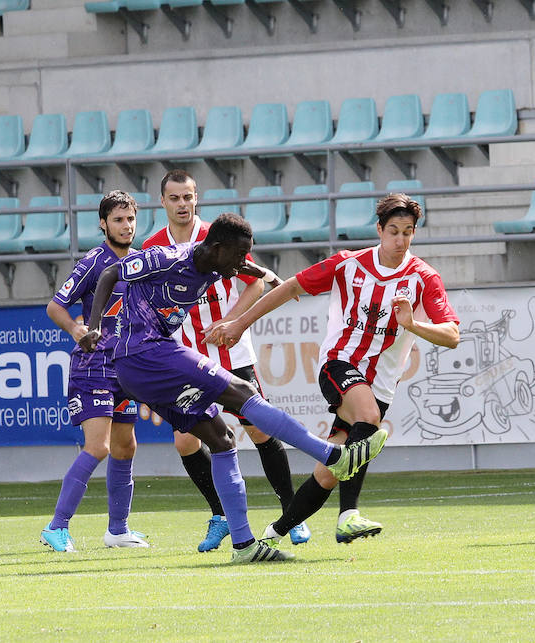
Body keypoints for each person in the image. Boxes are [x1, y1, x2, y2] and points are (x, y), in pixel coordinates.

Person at [79, 212, 387, 563]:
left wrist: (267, 276)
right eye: (239, 255)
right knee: (242, 392)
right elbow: (109, 273)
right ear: (217, 247)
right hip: (144, 352)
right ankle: (334, 455)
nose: (243, 263)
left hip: (141, 366)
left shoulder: (216, 264)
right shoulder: (169, 256)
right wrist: (94, 326)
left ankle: (243, 545)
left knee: (221, 439)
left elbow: (247, 270)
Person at [204, 193, 460, 545]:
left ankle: (271, 535)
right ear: (379, 230)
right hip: (339, 364)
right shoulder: (348, 264)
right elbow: (291, 286)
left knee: (329, 472)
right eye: (394, 231)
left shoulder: (423, 278)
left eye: (408, 232)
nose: (400, 240)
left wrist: (414, 325)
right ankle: (348, 515)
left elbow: (452, 335)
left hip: (381, 384)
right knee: (368, 417)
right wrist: (239, 324)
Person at [143, 169, 309, 552]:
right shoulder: (152, 247)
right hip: (187, 360)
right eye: (175, 198)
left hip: (232, 352)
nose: (182, 204)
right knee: (186, 441)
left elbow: (254, 280)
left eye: (188, 197)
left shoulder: (217, 237)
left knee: (260, 430)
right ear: (163, 202)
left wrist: (232, 319)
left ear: (196, 198)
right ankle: (220, 516)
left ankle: (291, 514)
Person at [41, 190, 148, 552]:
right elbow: (55, 307)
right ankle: (56, 527)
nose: (126, 225)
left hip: (125, 367)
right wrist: (77, 330)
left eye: (130, 218)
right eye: (118, 219)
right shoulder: (94, 261)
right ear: (103, 224)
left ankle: (118, 530)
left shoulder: (140, 261)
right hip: (94, 365)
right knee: (99, 446)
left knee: (125, 446)